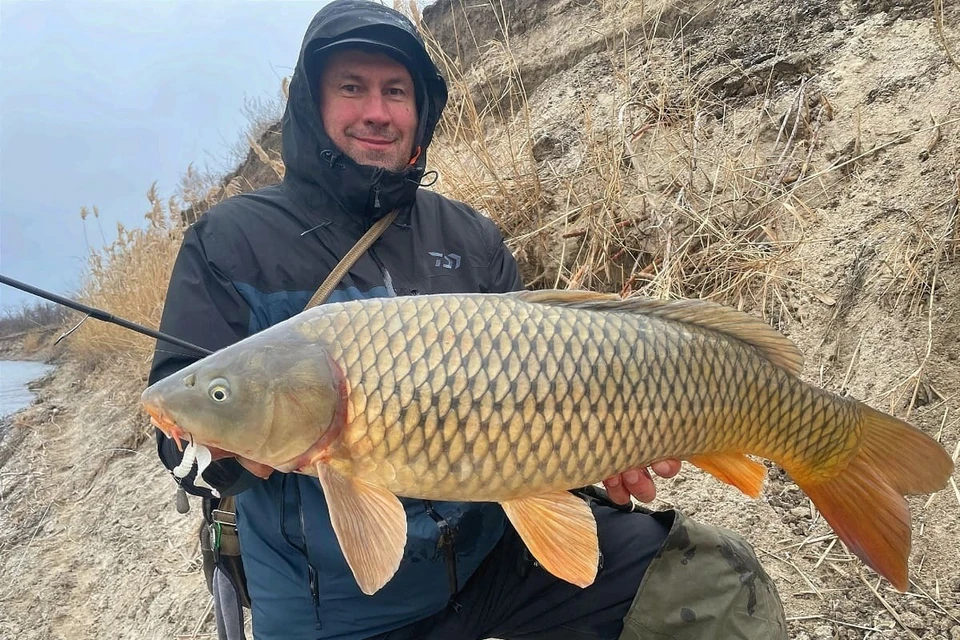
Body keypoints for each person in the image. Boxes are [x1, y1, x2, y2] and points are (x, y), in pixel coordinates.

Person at [148, 1, 788, 639]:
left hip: (496, 563)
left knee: (718, 581)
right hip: (341, 617)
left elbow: (545, 405)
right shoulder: (230, 241)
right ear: (310, 103)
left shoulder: (469, 236)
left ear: (419, 111)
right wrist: (245, 450)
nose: (377, 111)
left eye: (395, 91)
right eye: (352, 87)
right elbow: (178, 440)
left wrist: (606, 449)